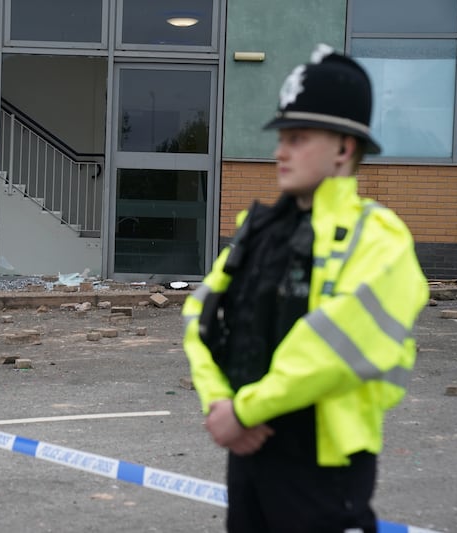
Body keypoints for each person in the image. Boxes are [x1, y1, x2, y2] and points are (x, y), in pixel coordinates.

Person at [181, 44, 428, 532]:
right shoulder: (258, 227)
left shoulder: (380, 238)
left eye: (297, 137)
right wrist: (218, 403)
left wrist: (244, 411)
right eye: (281, 137)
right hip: (248, 452)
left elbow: (330, 348)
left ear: (344, 147)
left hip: (323, 468)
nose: (279, 151)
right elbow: (200, 316)